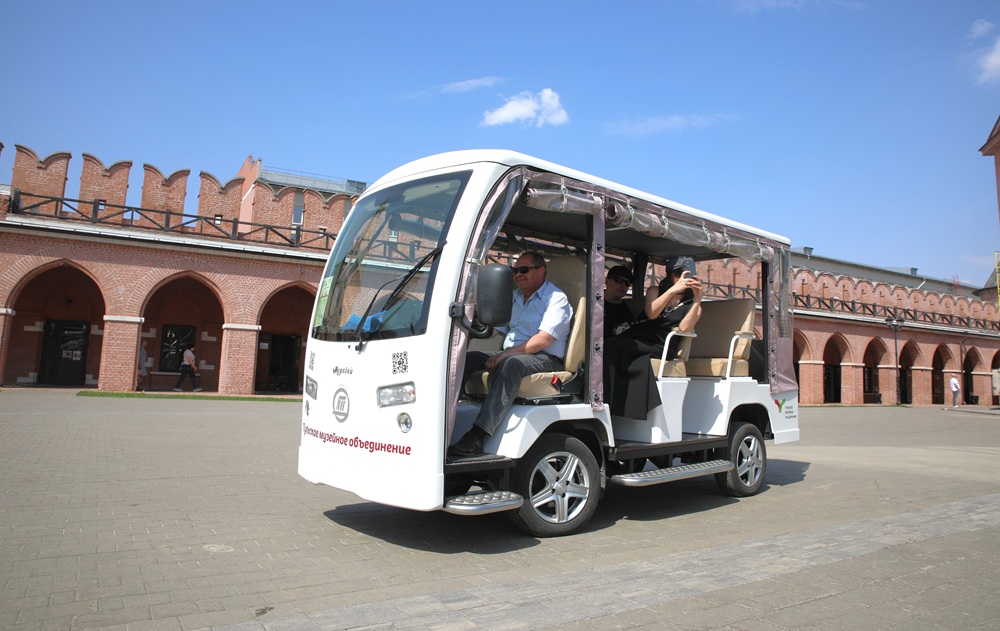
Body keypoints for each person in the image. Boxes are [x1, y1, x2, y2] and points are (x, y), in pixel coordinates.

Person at [450, 252, 573, 456]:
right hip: (513, 354)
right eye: (515, 271)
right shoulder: (515, 297)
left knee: (511, 364)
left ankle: (478, 435)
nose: (518, 275)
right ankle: (448, 416)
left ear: (541, 271)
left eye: (524, 270)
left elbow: (543, 340)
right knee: (466, 359)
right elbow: (497, 330)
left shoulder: (555, 298)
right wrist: (466, 330)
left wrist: (504, 355)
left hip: (545, 358)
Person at [603, 255, 703, 418]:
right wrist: (672, 291)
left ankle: (615, 406)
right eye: (678, 273)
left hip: (662, 344)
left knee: (614, 345)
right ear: (670, 274)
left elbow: (685, 328)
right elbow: (651, 313)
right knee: (611, 344)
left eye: (687, 274)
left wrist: (698, 299)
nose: (682, 278)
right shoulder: (655, 291)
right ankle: (611, 400)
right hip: (642, 336)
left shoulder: (693, 305)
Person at [604, 265, 637, 337]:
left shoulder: (627, 314)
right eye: (618, 280)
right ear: (607, 281)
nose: (623, 286)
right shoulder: (593, 303)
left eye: (627, 283)